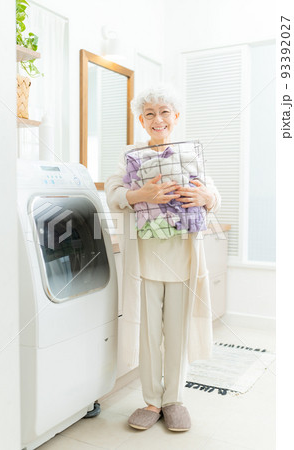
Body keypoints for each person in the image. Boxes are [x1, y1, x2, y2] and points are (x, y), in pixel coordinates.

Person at [105, 85, 221, 432]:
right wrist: (139, 193)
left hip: (182, 261)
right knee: (148, 333)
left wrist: (205, 196)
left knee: (177, 331)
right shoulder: (132, 157)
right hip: (147, 262)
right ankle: (152, 400)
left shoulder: (190, 157)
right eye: (150, 114)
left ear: (175, 117)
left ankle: (173, 399)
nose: (158, 119)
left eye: (165, 112)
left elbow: (213, 194)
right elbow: (113, 191)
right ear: (141, 120)